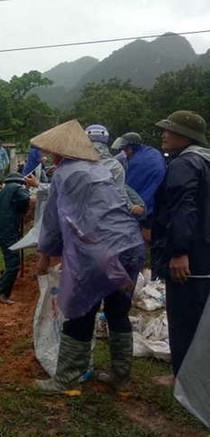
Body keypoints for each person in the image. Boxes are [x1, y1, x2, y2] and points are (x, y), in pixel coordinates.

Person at [32, 120, 145, 396]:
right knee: (118, 313)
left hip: (99, 253)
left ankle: (66, 381)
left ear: (60, 154)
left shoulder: (64, 175)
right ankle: (122, 380)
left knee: (79, 311)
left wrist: (45, 255)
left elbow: (53, 222)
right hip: (130, 246)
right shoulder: (101, 171)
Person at [151, 110, 210, 378]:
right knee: (201, 320)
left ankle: (185, 383)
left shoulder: (183, 164)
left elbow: (183, 208)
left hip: (190, 258)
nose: (164, 134)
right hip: (205, 255)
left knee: (185, 320)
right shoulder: (205, 161)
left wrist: (179, 251)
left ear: (185, 136)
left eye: (170, 130)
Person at [0, 172, 30, 305]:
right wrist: (23, 207)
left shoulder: (4, 191)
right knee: (14, 263)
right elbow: (24, 199)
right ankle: (1, 292)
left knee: (11, 259)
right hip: (6, 230)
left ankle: (4, 285)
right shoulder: (17, 188)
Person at [111, 132, 166, 231]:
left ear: (132, 147)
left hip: (145, 209)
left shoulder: (136, 162)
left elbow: (125, 187)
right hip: (160, 205)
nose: (124, 153)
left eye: (125, 150)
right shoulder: (152, 152)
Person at [85, 124, 133, 212]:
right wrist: (131, 208)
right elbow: (121, 194)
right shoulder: (115, 165)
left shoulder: (76, 163)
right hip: (108, 214)